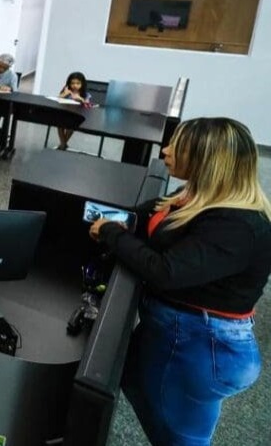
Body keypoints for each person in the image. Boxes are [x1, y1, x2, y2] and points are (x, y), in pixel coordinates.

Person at [90, 118, 270, 446]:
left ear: (206, 160)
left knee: (181, 438)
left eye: (178, 147)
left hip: (201, 345)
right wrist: (118, 220)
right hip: (177, 331)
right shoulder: (196, 194)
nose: (165, 151)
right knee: (137, 383)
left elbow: (165, 271)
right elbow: (153, 217)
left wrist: (111, 233)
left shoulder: (238, 225)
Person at [56, 71, 92, 150]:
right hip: (64, 113)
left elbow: (88, 105)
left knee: (71, 126)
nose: (75, 85)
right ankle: (63, 144)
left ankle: (62, 145)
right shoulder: (67, 91)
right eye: (72, 83)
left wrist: (81, 99)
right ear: (69, 83)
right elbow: (58, 99)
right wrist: (64, 94)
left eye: (78, 83)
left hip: (76, 116)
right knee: (59, 124)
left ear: (82, 84)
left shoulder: (85, 94)